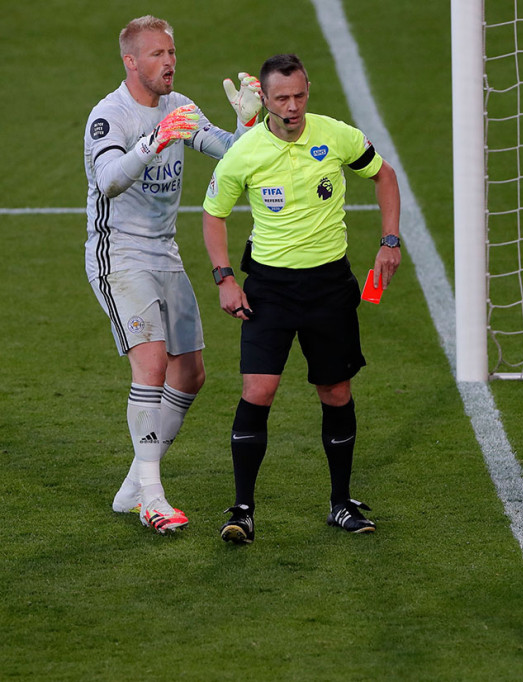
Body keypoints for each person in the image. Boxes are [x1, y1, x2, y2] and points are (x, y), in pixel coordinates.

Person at [201, 53, 401, 545]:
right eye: (281, 98)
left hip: (330, 287)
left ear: (308, 90)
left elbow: (385, 176)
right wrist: (225, 277)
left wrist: (389, 241)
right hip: (269, 288)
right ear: (264, 100)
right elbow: (213, 213)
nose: (292, 107)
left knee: (335, 392)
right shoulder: (245, 151)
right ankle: (242, 509)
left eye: (299, 95)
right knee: (258, 391)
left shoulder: (336, 135)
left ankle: (340, 502)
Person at [84, 15, 262, 533]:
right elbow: (110, 180)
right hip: (119, 255)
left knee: (190, 373)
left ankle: (133, 485)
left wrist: (250, 126)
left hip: (165, 252)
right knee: (154, 363)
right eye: (158, 54)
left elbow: (228, 154)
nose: (169, 62)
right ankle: (152, 497)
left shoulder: (181, 106)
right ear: (131, 62)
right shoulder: (109, 116)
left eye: (172, 52)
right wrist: (154, 141)